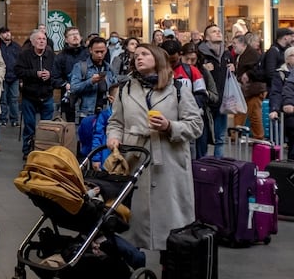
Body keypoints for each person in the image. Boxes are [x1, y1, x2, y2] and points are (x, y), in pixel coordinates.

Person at [106, 43, 202, 252]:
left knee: (171, 224)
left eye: (144, 54)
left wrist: (170, 126)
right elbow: (116, 122)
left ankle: (171, 264)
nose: (138, 58)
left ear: (158, 58)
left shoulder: (178, 89)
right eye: (136, 55)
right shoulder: (125, 89)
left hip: (169, 162)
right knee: (132, 221)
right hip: (135, 159)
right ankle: (133, 262)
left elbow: (196, 125)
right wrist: (113, 138)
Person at [16, 29, 57, 161]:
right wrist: (35, 74)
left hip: (47, 95)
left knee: (47, 126)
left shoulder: (51, 56)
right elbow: (18, 71)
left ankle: (44, 149)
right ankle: (27, 150)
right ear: (32, 42)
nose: (41, 41)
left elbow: (57, 73)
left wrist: (49, 75)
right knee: (29, 125)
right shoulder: (24, 55)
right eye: (38, 39)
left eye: (44, 39)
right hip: (29, 95)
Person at [198, 24, 234, 157]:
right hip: (206, 102)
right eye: (214, 32)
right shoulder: (200, 53)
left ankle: (218, 168)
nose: (218, 33)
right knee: (203, 138)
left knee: (220, 139)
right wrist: (202, 69)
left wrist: (233, 69)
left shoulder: (227, 54)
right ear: (207, 37)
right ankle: (202, 168)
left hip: (222, 101)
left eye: (219, 31)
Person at [69, 36, 116, 124]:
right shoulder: (80, 67)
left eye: (102, 52)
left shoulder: (108, 68)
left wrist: (112, 96)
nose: (99, 55)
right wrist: (91, 81)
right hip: (86, 113)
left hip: (106, 112)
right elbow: (73, 88)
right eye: (96, 52)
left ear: (106, 50)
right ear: (90, 50)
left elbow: (114, 85)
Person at [233, 32, 267, 140]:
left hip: (253, 90)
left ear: (242, 44)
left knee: (254, 115)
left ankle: (258, 136)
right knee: (241, 112)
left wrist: (247, 74)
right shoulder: (243, 55)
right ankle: (236, 134)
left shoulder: (251, 54)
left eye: (235, 43)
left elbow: (258, 70)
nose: (233, 46)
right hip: (247, 90)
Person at [268, 46, 294, 160]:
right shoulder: (281, 74)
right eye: (292, 55)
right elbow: (276, 93)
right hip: (288, 111)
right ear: (286, 59)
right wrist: (275, 109)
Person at [0, 27, 21, 127]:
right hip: (2, 76)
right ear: (0, 35)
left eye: (8, 32)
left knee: (14, 99)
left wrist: (21, 77)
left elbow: (20, 61)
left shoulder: (16, 47)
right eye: (5, 33)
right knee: (3, 100)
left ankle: (14, 119)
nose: (7, 34)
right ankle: (3, 119)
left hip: (14, 76)